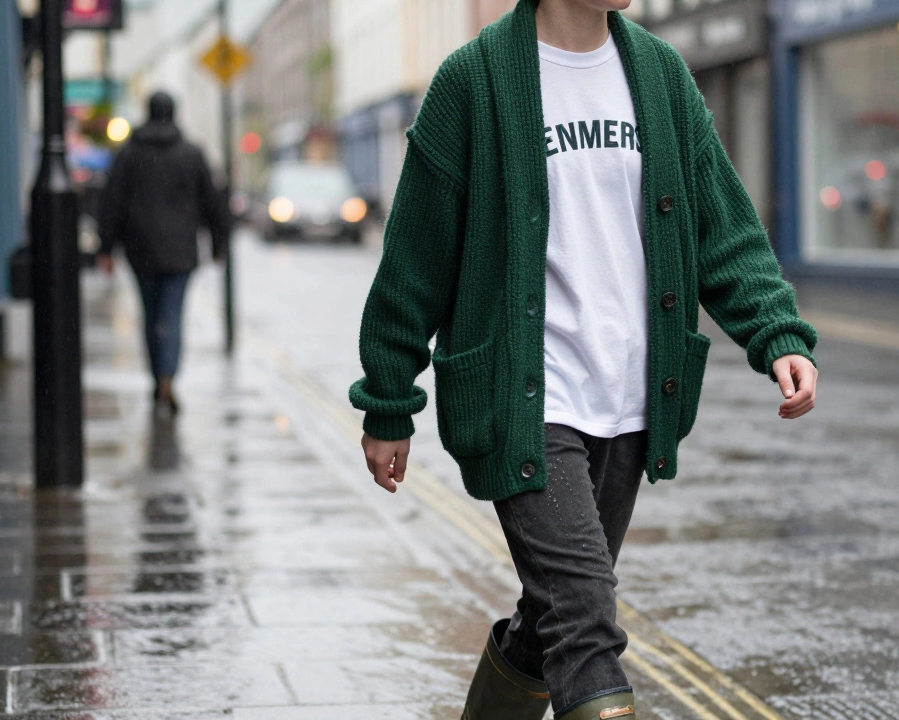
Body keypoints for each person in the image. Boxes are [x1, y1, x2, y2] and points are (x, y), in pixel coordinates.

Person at [350, 0, 819, 717]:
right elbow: (415, 260)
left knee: (554, 616)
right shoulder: (472, 82)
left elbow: (721, 227)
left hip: (631, 396)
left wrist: (776, 331)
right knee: (589, 622)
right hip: (524, 398)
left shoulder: (659, 75)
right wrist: (388, 398)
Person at [98, 91, 229, 415]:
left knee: (150, 316)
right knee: (172, 317)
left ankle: (157, 379)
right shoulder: (192, 153)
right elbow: (213, 203)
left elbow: (111, 202)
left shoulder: (128, 154)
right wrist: (218, 244)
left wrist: (106, 248)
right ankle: (168, 380)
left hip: (140, 250)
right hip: (181, 251)